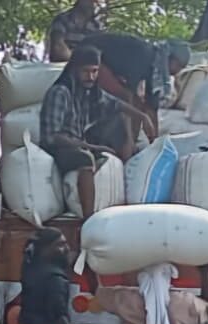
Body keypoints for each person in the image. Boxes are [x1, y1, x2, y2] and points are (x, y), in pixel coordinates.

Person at [40, 45, 157, 217]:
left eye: (95, 71)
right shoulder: (60, 92)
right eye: (86, 71)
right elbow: (53, 136)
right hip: (59, 147)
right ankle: (89, 218)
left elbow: (115, 104)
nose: (91, 77)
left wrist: (143, 117)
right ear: (74, 70)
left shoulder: (88, 92)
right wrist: (91, 147)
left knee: (119, 120)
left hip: (80, 141)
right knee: (85, 159)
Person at [79, 33, 192, 140]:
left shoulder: (157, 70)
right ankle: (127, 141)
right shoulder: (144, 55)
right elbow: (128, 98)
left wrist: (155, 143)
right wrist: (129, 139)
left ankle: (133, 139)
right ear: (170, 58)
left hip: (106, 62)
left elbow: (151, 108)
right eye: (179, 66)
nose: (178, 72)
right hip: (89, 53)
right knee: (126, 97)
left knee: (137, 103)